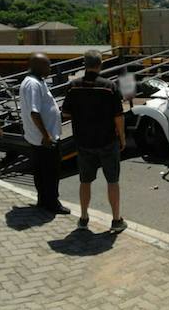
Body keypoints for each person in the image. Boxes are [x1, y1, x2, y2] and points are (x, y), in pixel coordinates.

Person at [62, 50, 127, 233]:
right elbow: (118, 116)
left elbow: (66, 113)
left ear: (84, 64)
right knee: (112, 181)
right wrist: (121, 138)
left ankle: (83, 218)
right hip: (107, 141)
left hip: (84, 142)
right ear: (100, 65)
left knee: (85, 181)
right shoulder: (109, 87)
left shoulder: (73, 86)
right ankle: (116, 220)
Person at [19, 52, 70, 214]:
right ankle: (52, 203)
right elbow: (34, 112)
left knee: (41, 171)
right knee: (51, 172)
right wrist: (46, 135)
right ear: (38, 66)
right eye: (47, 65)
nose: (50, 68)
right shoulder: (33, 84)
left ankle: (43, 200)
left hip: (38, 138)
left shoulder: (36, 81)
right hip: (44, 139)